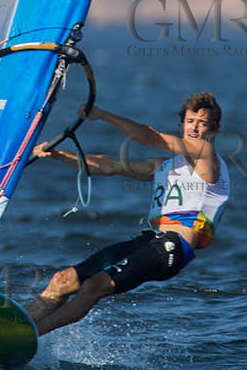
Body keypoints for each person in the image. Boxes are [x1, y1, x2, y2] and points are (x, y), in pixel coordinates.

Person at [25, 92, 229, 334]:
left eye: (202, 123)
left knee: (94, 286)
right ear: (182, 124)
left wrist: (102, 115)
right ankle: (16, 323)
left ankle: (28, 335)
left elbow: (149, 136)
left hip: (174, 247)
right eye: (189, 121)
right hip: (150, 241)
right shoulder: (165, 166)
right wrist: (59, 156)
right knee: (63, 280)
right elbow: (109, 166)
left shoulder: (207, 156)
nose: (194, 128)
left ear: (214, 131)